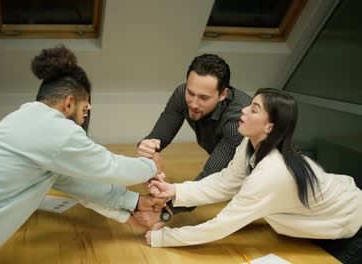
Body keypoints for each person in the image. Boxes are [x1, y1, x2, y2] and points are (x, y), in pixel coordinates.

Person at [0, 46, 165, 264]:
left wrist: (130, 206)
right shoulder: (54, 130)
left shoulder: (26, 121)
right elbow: (110, 167)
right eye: (84, 111)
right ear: (69, 102)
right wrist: (151, 164)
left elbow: (76, 183)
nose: (83, 122)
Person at [145, 88, 362, 264]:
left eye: (254, 109)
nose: (243, 111)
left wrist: (164, 237)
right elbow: (226, 182)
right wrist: (175, 190)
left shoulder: (273, 173)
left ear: (270, 127)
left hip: (351, 233)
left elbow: (222, 225)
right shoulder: (250, 144)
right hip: (323, 222)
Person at [134, 54, 251, 228]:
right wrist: (147, 152)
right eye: (191, 93)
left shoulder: (237, 123)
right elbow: (158, 137)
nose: (194, 104)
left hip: (259, 185)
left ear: (223, 94)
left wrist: (164, 212)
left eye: (204, 98)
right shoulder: (183, 94)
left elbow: (209, 179)